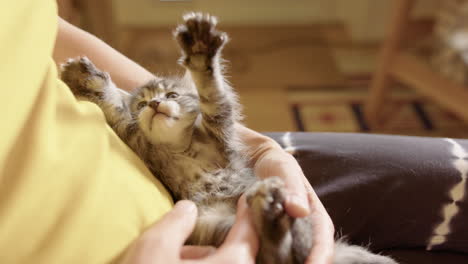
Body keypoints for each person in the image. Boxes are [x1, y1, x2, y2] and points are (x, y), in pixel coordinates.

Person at [0, 1, 334, 263]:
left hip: (222, 202)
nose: (155, 103)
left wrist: (262, 149)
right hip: (197, 233)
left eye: (168, 96)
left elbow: (36, 22)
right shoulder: (145, 143)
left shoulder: (171, 138)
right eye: (144, 104)